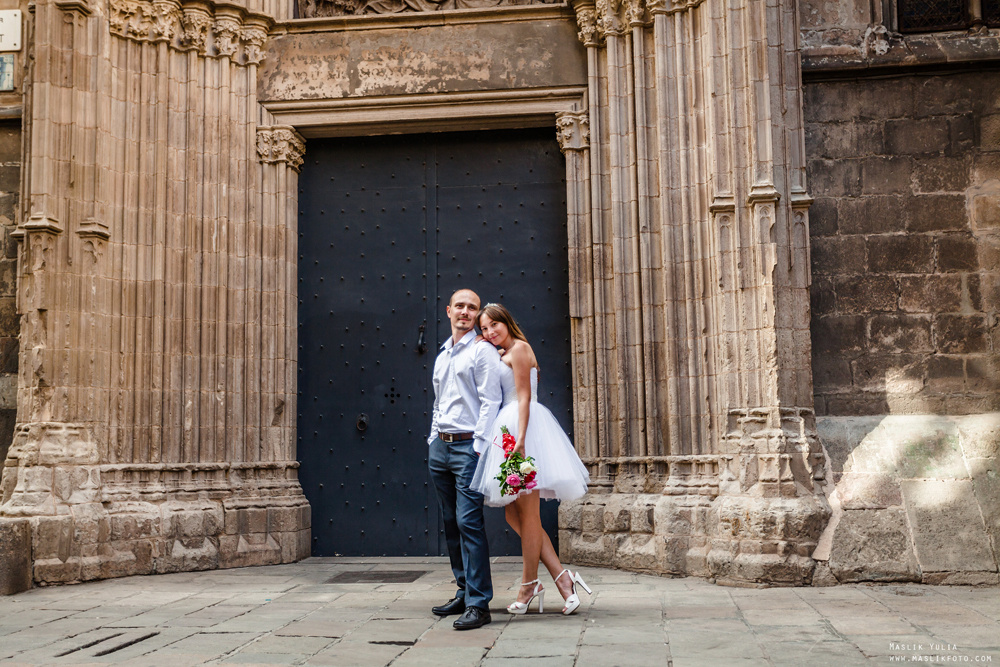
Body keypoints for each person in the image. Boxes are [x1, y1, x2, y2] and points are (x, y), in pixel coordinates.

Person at [470, 303, 593, 615]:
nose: (490, 332)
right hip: (508, 430)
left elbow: (524, 395)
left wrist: (521, 440)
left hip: (524, 430)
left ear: (506, 321)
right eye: (484, 328)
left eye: (494, 325)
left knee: (528, 514)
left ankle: (529, 584)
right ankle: (562, 578)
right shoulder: (502, 353)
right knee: (515, 516)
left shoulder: (520, 349)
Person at [427, 288, 502, 630]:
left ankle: (479, 603)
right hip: (441, 448)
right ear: (449, 310)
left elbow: (490, 401)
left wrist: (478, 446)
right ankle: (463, 590)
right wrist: (433, 438)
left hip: (468, 447)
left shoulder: (482, 350)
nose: (465, 312)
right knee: (450, 522)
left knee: (469, 522)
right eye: (460, 306)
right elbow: (438, 401)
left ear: (476, 314)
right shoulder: (443, 354)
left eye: (472, 307)